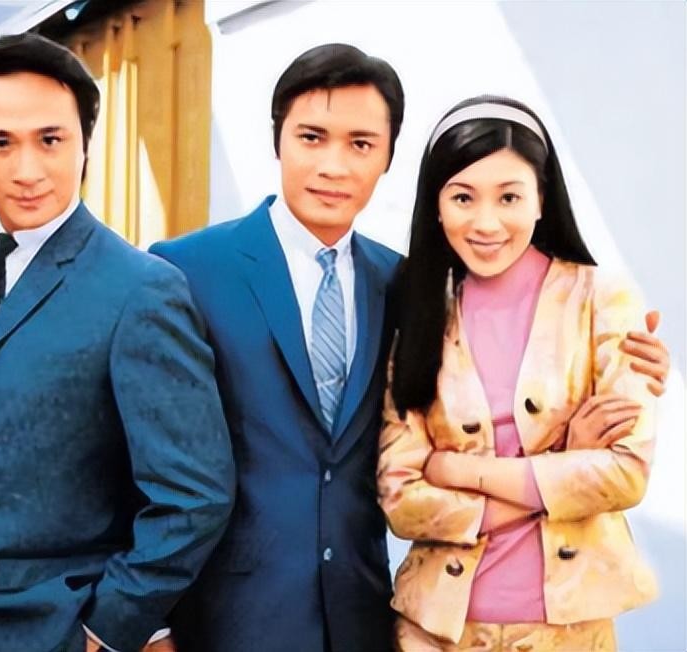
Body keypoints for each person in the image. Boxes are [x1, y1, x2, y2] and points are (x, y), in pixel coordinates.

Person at [150, 45, 671, 652]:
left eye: (361, 144)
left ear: (388, 157)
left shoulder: (399, 284)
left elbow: (618, 463)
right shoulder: (187, 271)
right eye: (312, 137)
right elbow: (144, 459)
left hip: (364, 617)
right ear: (277, 139)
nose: (334, 166)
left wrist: (474, 467)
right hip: (232, 622)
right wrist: (149, 624)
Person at [0, 33, 234, 652]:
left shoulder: (142, 289)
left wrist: (108, 627)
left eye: (50, 140)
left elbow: (194, 495)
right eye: (0, 143)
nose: (27, 170)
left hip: (51, 630)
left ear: (84, 143)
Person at [379, 95, 658, 651]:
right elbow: (401, 499)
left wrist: (458, 469)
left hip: (570, 635)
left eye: (509, 196)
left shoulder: (603, 299)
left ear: (541, 199)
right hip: (432, 633)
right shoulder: (418, 307)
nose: (486, 222)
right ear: (436, 205)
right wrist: (562, 465)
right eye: (463, 197)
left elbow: (626, 472)